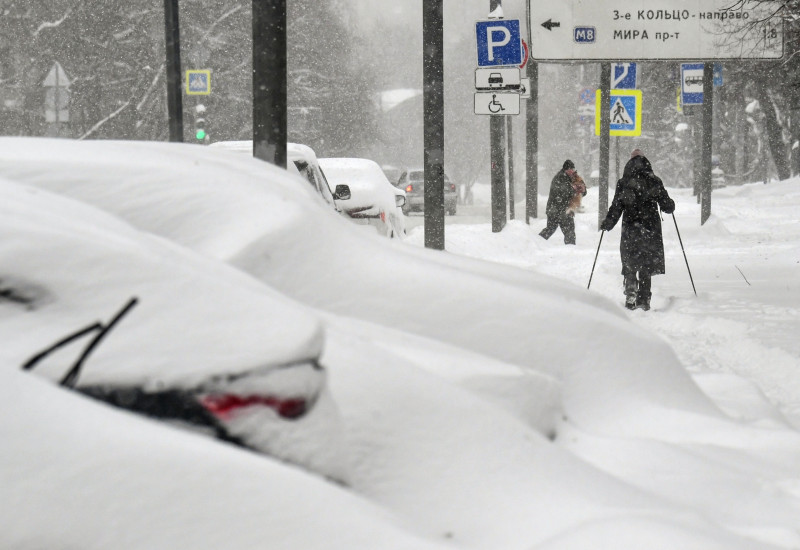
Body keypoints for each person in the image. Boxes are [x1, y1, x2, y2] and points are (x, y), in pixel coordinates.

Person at [600, 149, 675, 311]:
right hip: (650, 228)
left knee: (630, 260)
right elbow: (667, 206)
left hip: (631, 227)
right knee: (647, 263)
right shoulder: (655, 180)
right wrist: (670, 204)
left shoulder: (624, 182)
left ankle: (630, 292)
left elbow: (616, 206)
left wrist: (608, 222)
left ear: (630, 163)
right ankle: (644, 299)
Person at [540, 160, 586, 245]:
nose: (571, 171)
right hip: (555, 209)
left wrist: (582, 189)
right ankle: (535, 243)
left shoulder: (573, 177)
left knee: (568, 231)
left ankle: (570, 248)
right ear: (565, 169)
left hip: (565, 209)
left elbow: (582, 191)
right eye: (569, 169)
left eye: (572, 169)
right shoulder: (559, 178)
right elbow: (563, 192)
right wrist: (575, 189)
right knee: (552, 229)